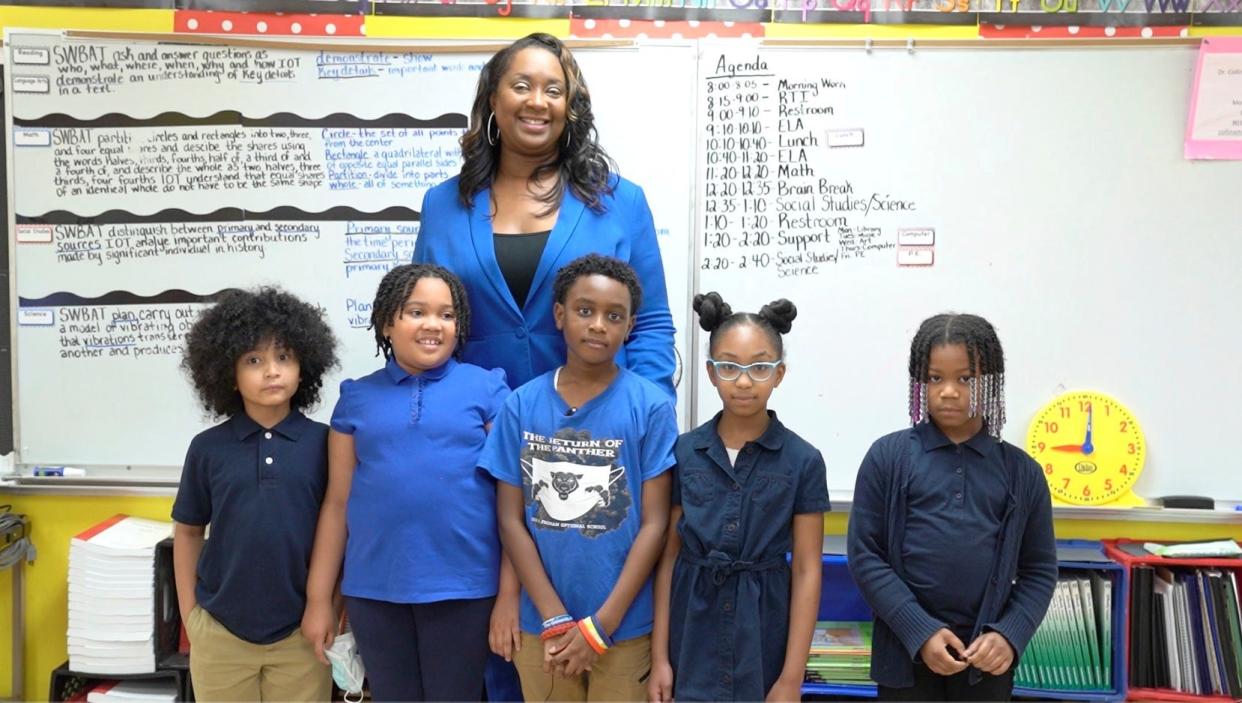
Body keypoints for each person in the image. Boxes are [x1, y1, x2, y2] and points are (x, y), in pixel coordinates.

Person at [414, 33, 678, 697]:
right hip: (482, 446)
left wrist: (631, 413)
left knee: (589, 607)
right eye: (522, 85)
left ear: (572, 105)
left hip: (597, 449)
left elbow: (650, 324)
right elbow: (426, 315)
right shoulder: (444, 204)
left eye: (554, 88)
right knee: (500, 635)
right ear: (493, 100)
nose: (538, 101)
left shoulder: (621, 200)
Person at [300, 264, 510, 701]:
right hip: (374, 592)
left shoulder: (487, 390)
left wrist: (511, 593)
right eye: (417, 311)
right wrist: (321, 599)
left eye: (447, 315)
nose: (434, 324)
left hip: (465, 588)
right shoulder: (357, 397)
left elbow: (514, 502)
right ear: (386, 322)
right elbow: (338, 503)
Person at [480, 254, 676, 702]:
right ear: (559, 315)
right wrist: (553, 616)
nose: (598, 325)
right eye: (585, 310)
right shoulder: (521, 405)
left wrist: (600, 627)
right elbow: (511, 520)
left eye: (614, 315)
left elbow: (655, 523)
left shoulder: (650, 407)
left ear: (629, 328)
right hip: (543, 627)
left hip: (623, 628)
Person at [847, 313, 1058, 701]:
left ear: (991, 381)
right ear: (919, 382)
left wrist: (1009, 634)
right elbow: (865, 556)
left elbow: (1040, 569)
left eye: (965, 379)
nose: (948, 391)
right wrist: (919, 630)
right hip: (905, 655)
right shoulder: (887, 458)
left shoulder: (1022, 473)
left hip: (985, 662)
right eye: (934, 378)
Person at [649, 292, 829, 703]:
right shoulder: (683, 452)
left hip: (763, 632)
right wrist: (660, 658)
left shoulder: (803, 460)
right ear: (711, 373)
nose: (744, 381)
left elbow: (806, 570)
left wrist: (790, 679)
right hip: (691, 632)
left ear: (779, 373)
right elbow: (669, 560)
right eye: (729, 366)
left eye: (759, 367)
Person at [172, 287, 338, 702]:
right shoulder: (207, 448)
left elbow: (339, 533)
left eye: (283, 357)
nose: (271, 371)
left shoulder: (327, 444)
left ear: (304, 366)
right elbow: (189, 532)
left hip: (302, 632)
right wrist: (193, 617)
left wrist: (332, 607)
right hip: (221, 633)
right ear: (227, 371)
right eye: (254, 360)